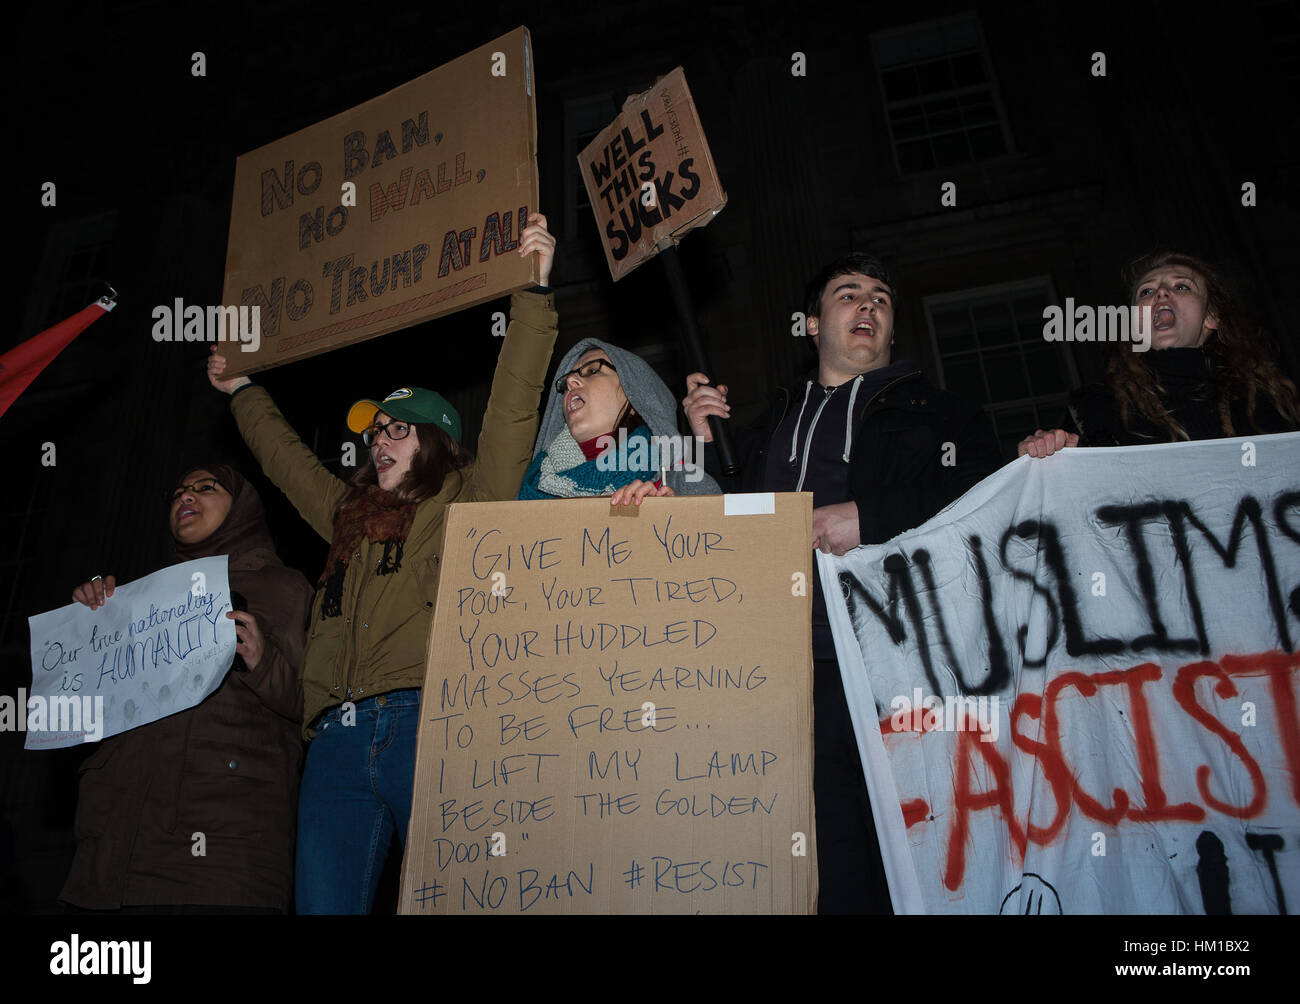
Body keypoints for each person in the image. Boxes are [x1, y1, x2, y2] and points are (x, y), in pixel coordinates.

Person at [206, 213, 559, 914]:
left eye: (397, 431)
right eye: (373, 434)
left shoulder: (471, 497)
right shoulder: (347, 516)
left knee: (451, 900)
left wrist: (534, 291)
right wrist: (243, 390)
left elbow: (514, 404)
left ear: (436, 442)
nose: (378, 443)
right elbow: (285, 461)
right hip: (333, 743)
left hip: (428, 724)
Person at [682, 251, 1002, 913]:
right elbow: (728, 524)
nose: (868, 307)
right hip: (778, 667)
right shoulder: (767, 424)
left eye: (881, 299)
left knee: (916, 845)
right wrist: (703, 443)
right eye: (848, 294)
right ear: (810, 324)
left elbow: (984, 493)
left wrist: (872, 518)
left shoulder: (940, 415)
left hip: (892, 660)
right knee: (814, 856)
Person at [60, 464, 313, 913]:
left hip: (219, 855)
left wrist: (261, 658)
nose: (186, 497)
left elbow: (315, 705)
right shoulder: (136, 600)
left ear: (244, 509)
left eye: (205, 488)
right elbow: (78, 715)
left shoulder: (285, 588)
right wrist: (88, 631)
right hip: (109, 858)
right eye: (178, 492)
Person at [1019, 250, 1299, 457]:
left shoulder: (1263, 404)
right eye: (1146, 291)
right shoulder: (1096, 409)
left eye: (1181, 286)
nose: (1162, 293)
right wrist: (1053, 453)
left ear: (1211, 317)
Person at [520, 338, 719, 504]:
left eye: (592, 371)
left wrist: (671, 519)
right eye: (564, 384)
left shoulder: (679, 484)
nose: (570, 382)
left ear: (634, 398)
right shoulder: (534, 485)